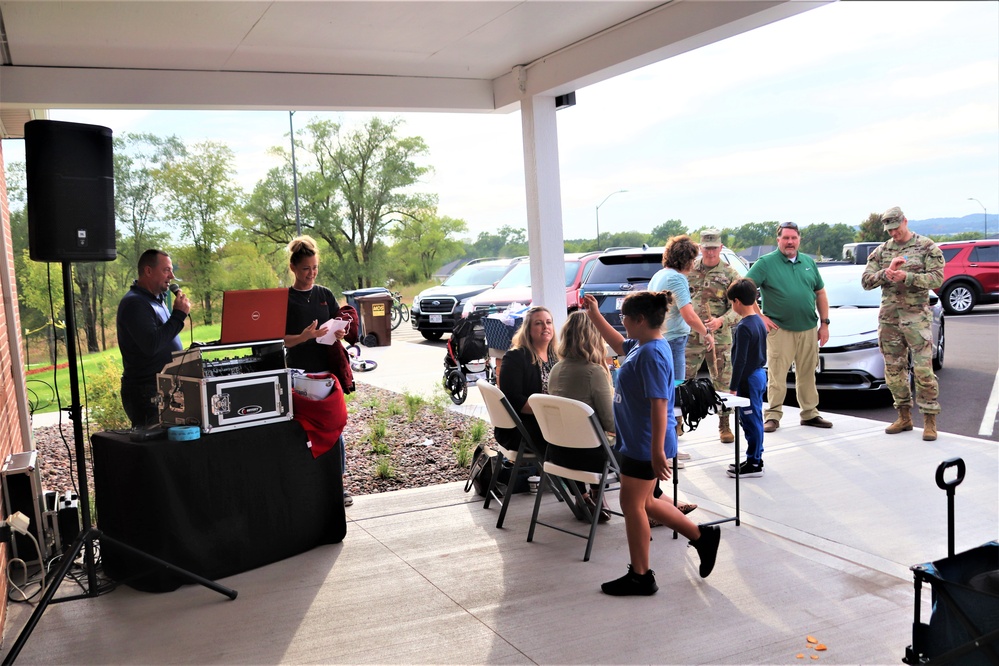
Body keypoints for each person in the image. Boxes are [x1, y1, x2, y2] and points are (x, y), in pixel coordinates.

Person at [582, 292, 720, 596]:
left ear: (640, 320)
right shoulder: (642, 347)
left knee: (632, 504)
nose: (622, 322)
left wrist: (657, 451)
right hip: (637, 440)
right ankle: (701, 536)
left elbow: (661, 404)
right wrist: (594, 315)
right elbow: (619, 343)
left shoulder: (653, 354)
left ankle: (641, 576)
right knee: (645, 503)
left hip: (645, 443)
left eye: (624, 318)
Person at [861, 206, 944, 441]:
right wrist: (885, 274)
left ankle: (929, 420)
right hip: (889, 320)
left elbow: (937, 278)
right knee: (894, 370)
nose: (893, 233)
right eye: (889, 229)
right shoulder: (881, 251)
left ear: (905, 222)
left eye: (896, 228)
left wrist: (908, 277)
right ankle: (904, 416)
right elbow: (866, 281)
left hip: (916, 319)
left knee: (923, 371)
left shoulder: (927, 246)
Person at [283, 236, 353, 505]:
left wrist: (340, 332)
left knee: (335, 427)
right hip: (299, 373)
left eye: (314, 268)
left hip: (327, 374)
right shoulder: (285, 299)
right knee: (303, 431)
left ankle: (337, 484)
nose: (311, 274)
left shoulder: (324, 294)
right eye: (305, 269)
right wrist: (304, 336)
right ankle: (307, 486)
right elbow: (281, 340)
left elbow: (338, 324)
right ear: (293, 268)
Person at [745, 221, 833, 432]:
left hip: (809, 329)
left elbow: (820, 292)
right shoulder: (766, 263)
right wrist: (760, 317)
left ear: (799, 239)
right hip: (779, 330)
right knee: (777, 375)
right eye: (785, 238)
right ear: (778, 240)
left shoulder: (808, 263)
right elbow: (745, 289)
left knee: (807, 374)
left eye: (793, 238)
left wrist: (825, 324)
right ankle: (773, 416)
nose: (790, 242)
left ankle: (810, 414)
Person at [647, 235, 715, 467]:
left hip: (660, 339)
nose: (694, 263)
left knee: (665, 395)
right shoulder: (676, 279)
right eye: (693, 258)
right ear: (687, 259)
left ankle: (669, 447)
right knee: (673, 395)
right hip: (673, 341)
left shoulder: (659, 275)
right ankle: (670, 450)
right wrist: (706, 332)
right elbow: (688, 313)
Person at [116, 249, 191, 428]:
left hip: (164, 387)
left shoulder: (157, 300)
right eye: (166, 270)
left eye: (171, 270)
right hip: (146, 392)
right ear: (148, 271)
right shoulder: (135, 303)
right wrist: (179, 316)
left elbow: (164, 337)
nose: (171, 276)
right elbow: (151, 345)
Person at [684, 229, 743, 444]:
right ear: (701, 248)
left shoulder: (730, 274)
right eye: (706, 248)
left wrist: (721, 321)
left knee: (722, 382)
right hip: (691, 337)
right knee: (683, 379)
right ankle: (679, 420)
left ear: (721, 248)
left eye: (714, 247)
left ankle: (724, 424)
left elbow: (739, 308)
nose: (710, 252)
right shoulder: (688, 271)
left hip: (718, 338)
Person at [495, 306, 558, 458]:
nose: (545, 327)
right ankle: (569, 480)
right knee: (572, 440)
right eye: (538, 323)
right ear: (528, 330)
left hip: (550, 420)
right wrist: (551, 412)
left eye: (548, 322)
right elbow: (513, 400)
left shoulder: (556, 356)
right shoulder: (515, 357)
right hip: (523, 427)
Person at [725, 279, 768, 477]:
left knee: (750, 420)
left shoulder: (743, 327)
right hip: (759, 373)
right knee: (756, 417)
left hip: (748, 378)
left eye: (732, 303)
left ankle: (754, 463)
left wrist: (734, 387)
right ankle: (755, 456)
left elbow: (740, 361)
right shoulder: (758, 321)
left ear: (737, 301)